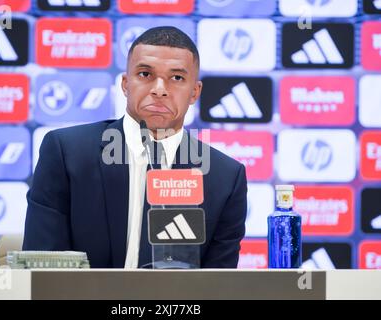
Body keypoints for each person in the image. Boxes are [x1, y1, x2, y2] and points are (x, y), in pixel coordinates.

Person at [23, 26, 248, 268]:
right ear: (125, 84)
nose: (159, 89)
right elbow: (42, 271)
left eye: (177, 78)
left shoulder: (225, 178)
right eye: (145, 74)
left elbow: (218, 288)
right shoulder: (66, 153)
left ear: (194, 92)